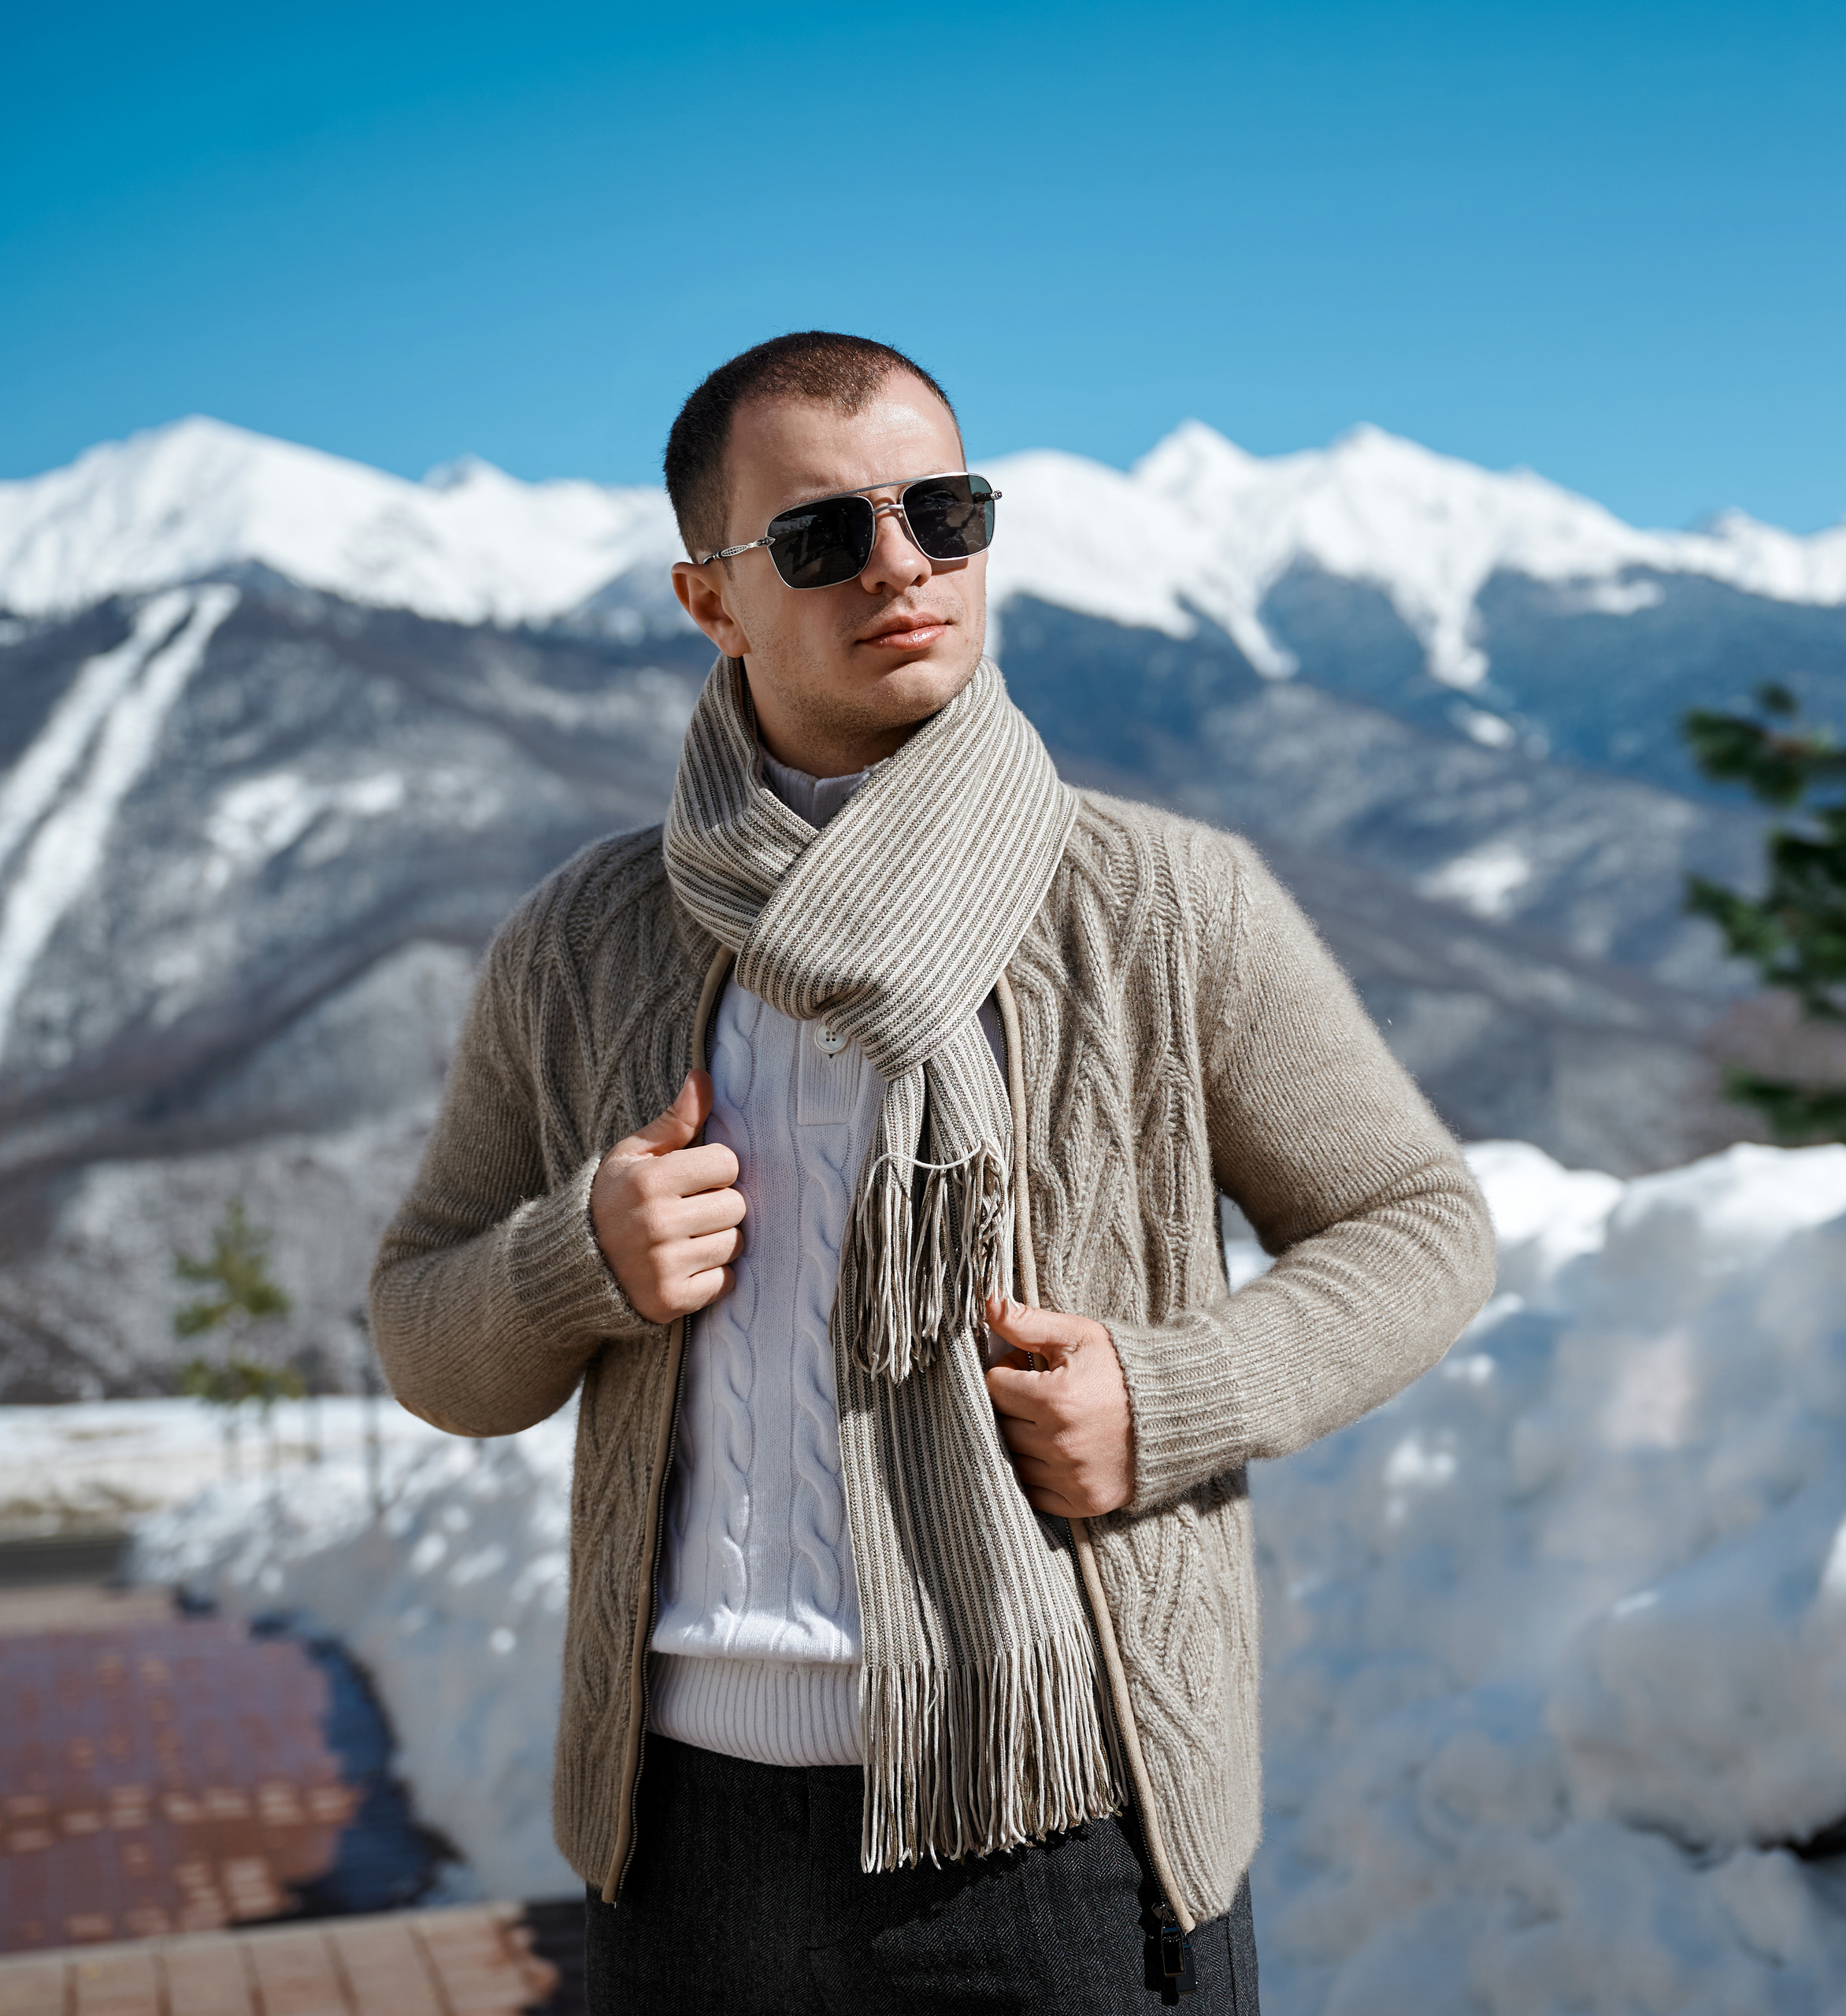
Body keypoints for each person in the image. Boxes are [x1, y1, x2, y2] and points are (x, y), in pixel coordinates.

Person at [370, 331, 1496, 2014]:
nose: (902, 565)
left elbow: (1420, 1224)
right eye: (824, 536)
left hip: (1061, 1810)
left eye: (943, 512)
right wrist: (574, 1259)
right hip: (679, 1839)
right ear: (711, 600)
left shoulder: (1159, 901)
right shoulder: (583, 940)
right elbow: (420, 1330)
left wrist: (1175, 1389)